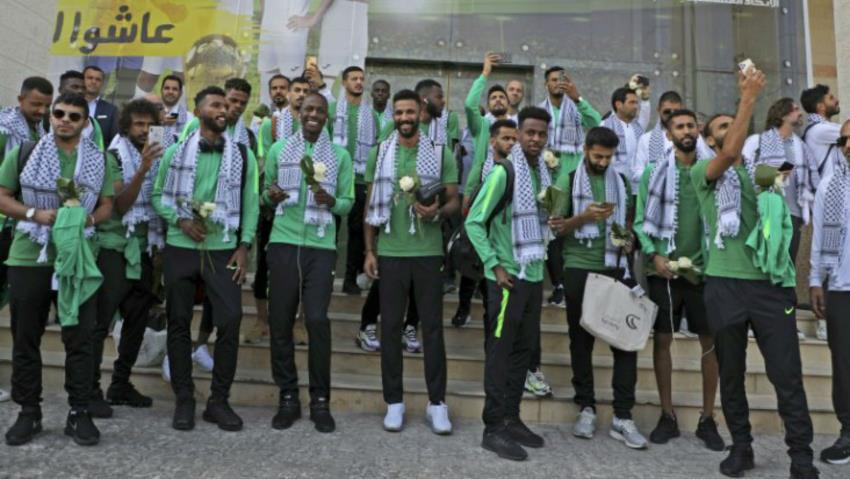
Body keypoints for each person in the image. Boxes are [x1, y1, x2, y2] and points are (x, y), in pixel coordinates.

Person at [693, 70, 819, 479]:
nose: (735, 132)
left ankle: (801, 457)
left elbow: (782, 212)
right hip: (724, 284)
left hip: (771, 286)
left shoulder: (766, 173)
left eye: (737, 126)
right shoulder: (704, 174)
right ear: (711, 141)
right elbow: (728, 156)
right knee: (731, 373)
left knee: (787, 375)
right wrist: (747, 99)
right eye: (724, 129)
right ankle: (741, 446)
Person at [0, 93, 114, 446]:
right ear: (51, 116)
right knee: (26, 337)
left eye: (74, 116)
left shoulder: (100, 159)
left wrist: (89, 219)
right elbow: (2, 196)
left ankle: (79, 412)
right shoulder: (26, 152)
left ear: (85, 122)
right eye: (59, 113)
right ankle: (29, 412)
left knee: (79, 337)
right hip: (28, 253)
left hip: (76, 255)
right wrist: (35, 214)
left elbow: (108, 204)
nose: (65, 120)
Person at [153, 86, 259, 432]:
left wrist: (244, 246)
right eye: (215, 104)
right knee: (179, 321)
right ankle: (184, 397)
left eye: (227, 105)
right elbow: (158, 196)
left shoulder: (244, 154)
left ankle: (219, 401)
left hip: (224, 248)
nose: (224, 109)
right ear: (198, 111)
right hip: (181, 246)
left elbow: (251, 202)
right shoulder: (174, 152)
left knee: (230, 319)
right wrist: (180, 220)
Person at [364, 89, 459, 434]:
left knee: (431, 329)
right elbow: (371, 204)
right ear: (393, 115)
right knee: (389, 328)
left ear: (421, 112)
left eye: (410, 112)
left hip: (428, 252)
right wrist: (369, 251)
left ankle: (437, 404)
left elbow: (454, 202)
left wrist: (436, 212)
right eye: (398, 113)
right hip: (390, 252)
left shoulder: (439, 151)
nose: (404, 118)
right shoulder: (380, 152)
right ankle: (395, 402)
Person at [549, 126, 647, 450]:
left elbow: (623, 228)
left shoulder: (619, 182)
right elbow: (556, 229)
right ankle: (586, 407)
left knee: (625, 344)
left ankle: (623, 415)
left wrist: (628, 240)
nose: (603, 162)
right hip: (578, 265)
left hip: (614, 265)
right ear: (586, 150)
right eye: (598, 156)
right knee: (581, 342)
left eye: (608, 157)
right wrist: (584, 216)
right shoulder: (567, 178)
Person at [633, 109, 724, 451]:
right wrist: (654, 256)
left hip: (704, 271)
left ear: (698, 131)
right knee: (663, 341)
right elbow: (641, 221)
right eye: (679, 127)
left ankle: (707, 417)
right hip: (665, 271)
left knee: (710, 343)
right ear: (668, 134)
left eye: (691, 126)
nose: (686, 131)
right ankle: (667, 415)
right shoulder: (651, 174)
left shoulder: (711, 171)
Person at [263, 92, 354, 433]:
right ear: (299, 113)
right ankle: (288, 396)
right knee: (281, 320)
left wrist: (331, 200)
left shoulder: (340, 156)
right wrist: (269, 195)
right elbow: (264, 194)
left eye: (320, 110)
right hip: (284, 243)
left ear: (327, 116)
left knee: (316, 320)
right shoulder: (278, 149)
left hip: (321, 246)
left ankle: (320, 400)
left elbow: (347, 203)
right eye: (308, 109)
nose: (313, 114)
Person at [467, 111, 548, 461]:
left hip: (532, 276)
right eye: (528, 133)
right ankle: (492, 427)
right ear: (518, 134)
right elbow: (473, 222)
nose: (534, 140)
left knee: (522, 351)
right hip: (506, 279)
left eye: (541, 134)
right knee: (500, 353)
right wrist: (494, 265)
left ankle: (511, 418)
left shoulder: (542, 173)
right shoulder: (504, 172)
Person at [89, 99, 165, 418]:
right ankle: (89, 389)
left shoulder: (155, 155)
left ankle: (119, 384)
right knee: (101, 321)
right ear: (125, 126)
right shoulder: (115, 155)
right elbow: (120, 205)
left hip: (143, 247)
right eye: (138, 124)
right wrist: (144, 168)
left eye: (150, 125)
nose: (145, 131)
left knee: (136, 319)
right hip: (114, 248)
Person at [810, 119, 850, 466]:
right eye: (844, 139)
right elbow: (819, 238)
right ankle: (848, 432)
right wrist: (813, 280)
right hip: (841, 287)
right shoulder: (830, 186)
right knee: (844, 363)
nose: (848, 145)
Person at [330, 66, 379, 296]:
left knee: (358, 232)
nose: (359, 82)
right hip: (333, 180)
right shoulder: (332, 109)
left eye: (361, 79)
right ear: (344, 82)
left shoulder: (372, 115)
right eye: (354, 79)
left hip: (360, 181)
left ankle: (351, 280)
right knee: (330, 229)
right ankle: (326, 275)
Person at [631, 90, 713, 189]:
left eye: (676, 111)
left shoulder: (692, 136)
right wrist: (665, 176)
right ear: (658, 110)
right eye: (667, 112)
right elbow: (636, 174)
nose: (671, 115)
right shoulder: (646, 139)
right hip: (657, 194)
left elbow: (707, 163)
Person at [538, 66, 602, 173]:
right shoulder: (539, 110)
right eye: (554, 80)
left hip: (573, 172)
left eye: (562, 80)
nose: (558, 83)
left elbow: (596, 123)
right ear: (546, 84)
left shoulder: (578, 107)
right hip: (546, 170)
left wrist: (577, 98)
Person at [801, 84, 842, 180]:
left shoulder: (822, 127)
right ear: (821, 107)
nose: (837, 100)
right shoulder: (819, 130)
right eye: (831, 98)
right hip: (830, 190)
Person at [82, 66, 118, 145]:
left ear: (102, 84)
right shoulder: (71, 105)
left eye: (98, 79)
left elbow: (114, 141)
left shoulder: (111, 110)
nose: (94, 82)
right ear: (82, 80)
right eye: (90, 78)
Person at [160, 75, 193, 145]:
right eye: (167, 88)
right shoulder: (151, 114)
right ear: (161, 90)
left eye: (174, 89)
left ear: (180, 93)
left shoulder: (189, 117)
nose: (170, 92)